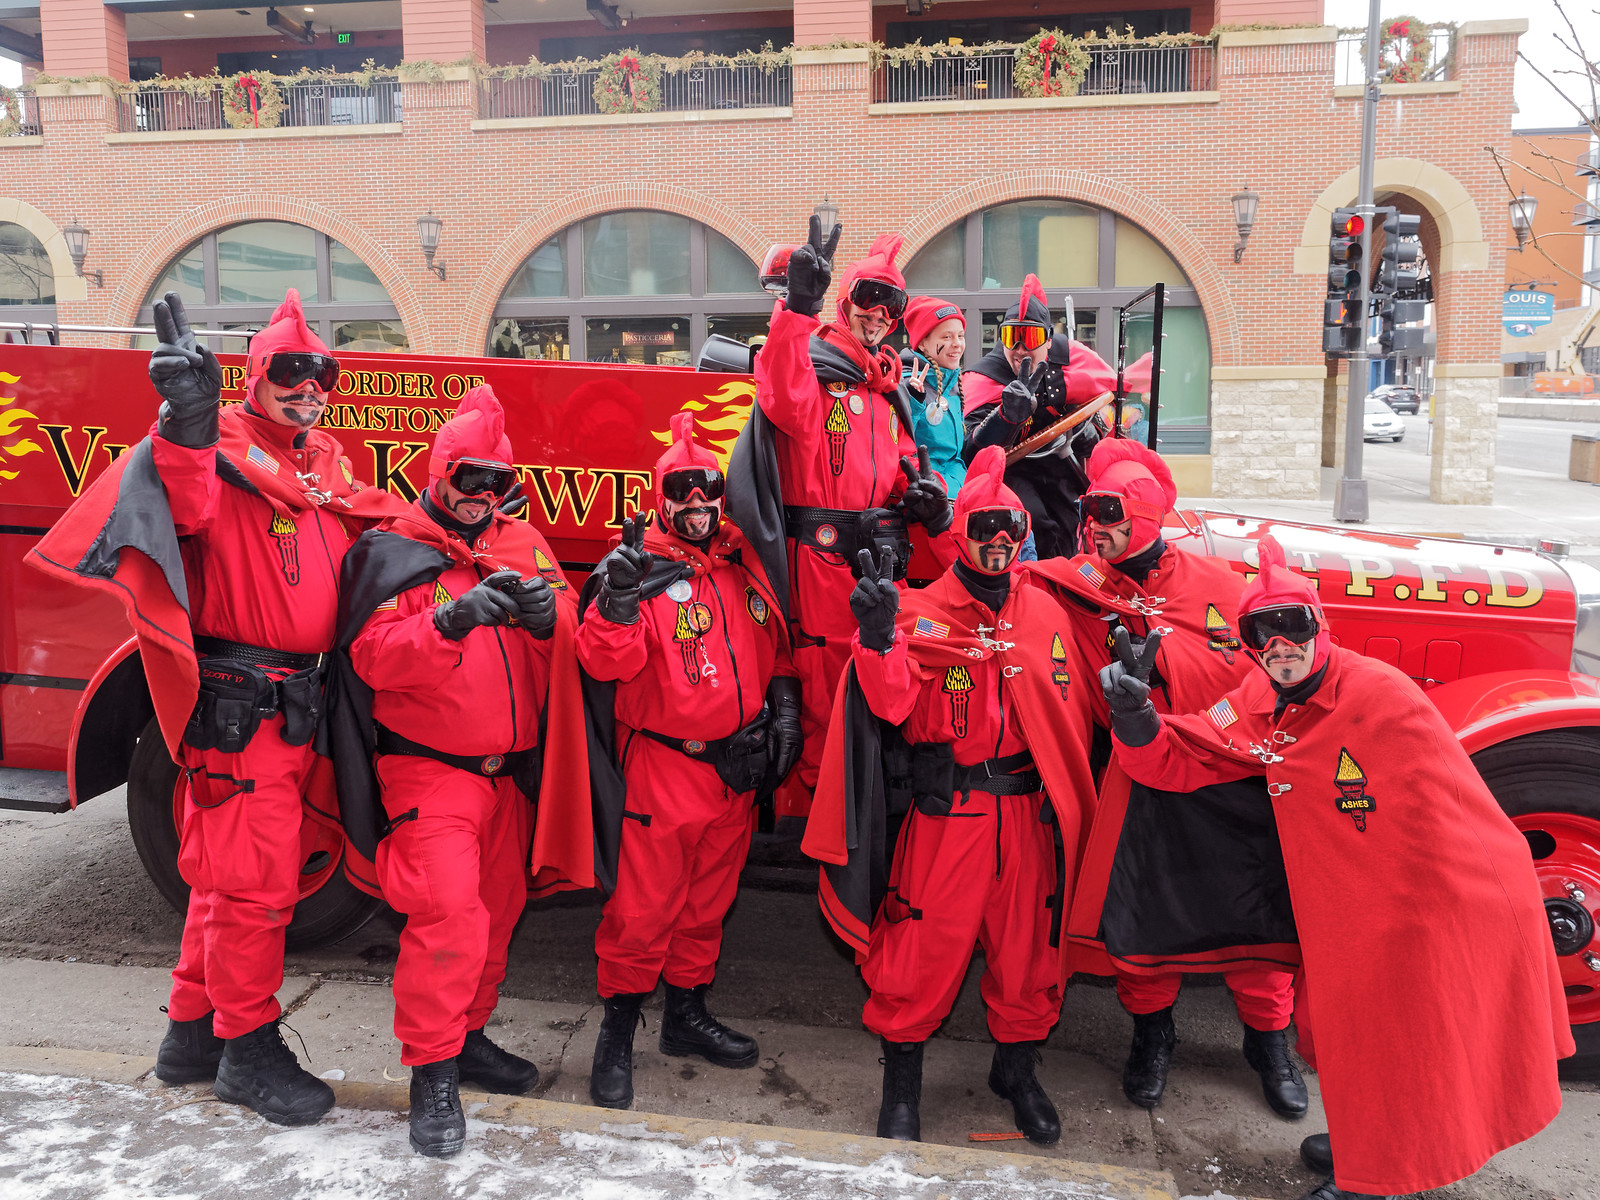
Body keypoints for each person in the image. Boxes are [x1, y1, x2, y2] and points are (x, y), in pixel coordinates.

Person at [28, 290, 405, 1125]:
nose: (310, 386)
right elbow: (184, 500)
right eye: (291, 370)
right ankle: (247, 1049)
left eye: (323, 373)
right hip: (242, 703)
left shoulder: (320, 467)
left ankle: (192, 1034)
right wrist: (187, 419)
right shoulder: (221, 450)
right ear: (254, 376)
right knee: (254, 890)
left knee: (219, 879)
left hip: (289, 704)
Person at [1100, 536, 1573, 1200]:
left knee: (1399, 1044)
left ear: (1321, 626)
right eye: (1259, 634)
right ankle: (1363, 1144)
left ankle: (1373, 1180)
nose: (1279, 646)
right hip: (1344, 914)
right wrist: (1137, 719)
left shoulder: (1382, 696)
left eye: (1292, 626)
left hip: (1424, 905)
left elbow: (1446, 819)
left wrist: (1411, 923)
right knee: (1347, 1044)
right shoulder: (1258, 697)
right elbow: (1187, 756)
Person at [803, 446, 1099, 1146]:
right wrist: (877, 641)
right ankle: (901, 1088)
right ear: (960, 531)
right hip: (951, 818)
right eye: (985, 526)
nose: (999, 543)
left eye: (1011, 529)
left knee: (1029, 957)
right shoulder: (922, 613)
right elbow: (893, 705)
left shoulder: (1049, 614)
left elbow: (1075, 705)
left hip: (1028, 817)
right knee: (917, 953)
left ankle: (1017, 1073)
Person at [329, 384, 590, 1156]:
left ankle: (468, 1037)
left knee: (497, 915)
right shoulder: (391, 549)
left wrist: (554, 621)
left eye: (498, 482)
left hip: (509, 775)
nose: (483, 496)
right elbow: (371, 659)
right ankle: (432, 1074)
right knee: (448, 920)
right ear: (437, 473)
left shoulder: (524, 541)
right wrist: (448, 621)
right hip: (429, 773)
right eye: (468, 478)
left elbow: (572, 630)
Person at [1070, 440, 1302, 1119]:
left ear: (1143, 515)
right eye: (1087, 512)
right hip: (1141, 784)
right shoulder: (1079, 586)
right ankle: (1152, 1035)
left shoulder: (1221, 588)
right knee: (1147, 922)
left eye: (1107, 511)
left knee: (1257, 924)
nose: (1094, 525)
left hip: (1230, 777)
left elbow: (1281, 673)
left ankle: (1269, 1043)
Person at [577, 413, 801, 1111]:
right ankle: (616, 1033)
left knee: (708, 906)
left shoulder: (743, 566)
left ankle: (686, 1016)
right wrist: (615, 605)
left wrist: (784, 707)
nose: (697, 504)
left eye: (707, 488)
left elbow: (778, 640)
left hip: (733, 773)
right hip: (665, 770)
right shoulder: (640, 575)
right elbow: (603, 662)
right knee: (642, 913)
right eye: (681, 492)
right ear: (660, 498)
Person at [727, 217, 955, 810]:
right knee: (825, 701)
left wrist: (925, 497)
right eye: (868, 298)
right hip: (822, 570)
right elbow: (779, 388)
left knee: (873, 698)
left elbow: (906, 461)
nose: (879, 313)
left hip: (877, 567)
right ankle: (816, 832)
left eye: (892, 303)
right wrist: (799, 304)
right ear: (847, 301)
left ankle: (853, 822)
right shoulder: (817, 371)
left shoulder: (885, 390)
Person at [962, 275, 1116, 559]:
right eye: (1010, 337)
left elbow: (1109, 394)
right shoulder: (985, 375)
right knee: (1037, 524)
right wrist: (1005, 416)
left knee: (1073, 522)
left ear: (1048, 339)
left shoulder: (1072, 358)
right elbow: (972, 451)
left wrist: (1090, 427)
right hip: (1012, 472)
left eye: (1030, 337)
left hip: (1060, 464)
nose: (1019, 349)